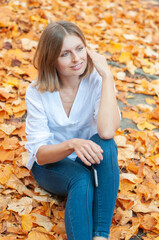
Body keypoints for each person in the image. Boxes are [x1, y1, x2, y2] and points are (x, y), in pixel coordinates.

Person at [25, 20, 121, 240]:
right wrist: (72, 144)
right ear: (52, 60)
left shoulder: (98, 80)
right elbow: (40, 154)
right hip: (51, 164)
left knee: (107, 144)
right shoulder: (36, 91)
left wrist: (107, 75)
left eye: (79, 49)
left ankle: (100, 236)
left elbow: (106, 132)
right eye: (65, 54)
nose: (77, 59)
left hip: (88, 158)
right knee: (81, 179)